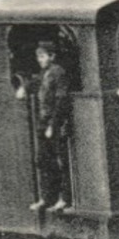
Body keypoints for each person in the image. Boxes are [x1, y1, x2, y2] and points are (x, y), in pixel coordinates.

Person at [30, 41, 72, 212]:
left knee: (60, 161)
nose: (39, 60)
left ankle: (64, 198)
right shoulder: (44, 73)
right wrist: (24, 88)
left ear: (52, 56)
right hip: (43, 122)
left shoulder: (58, 73)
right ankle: (47, 198)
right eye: (38, 56)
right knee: (43, 161)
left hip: (54, 124)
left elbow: (61, 100)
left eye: (42, 56)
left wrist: (53, 125)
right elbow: (34, 83)